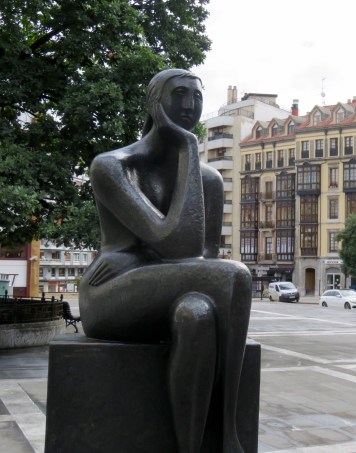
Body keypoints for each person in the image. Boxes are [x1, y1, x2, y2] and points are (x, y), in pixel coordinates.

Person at [79, 68, 252, 453]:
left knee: (197, 314)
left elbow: (203, 258)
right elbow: (179, 249)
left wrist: (143, 257)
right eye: (178, 94)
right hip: (111, 294)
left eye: (197, 96)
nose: (189, 105)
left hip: (166, 290)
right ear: (154, 104)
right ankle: (228, 434)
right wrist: (189, 145)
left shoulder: (209, 181)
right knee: (236, 277)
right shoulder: (113, 166)